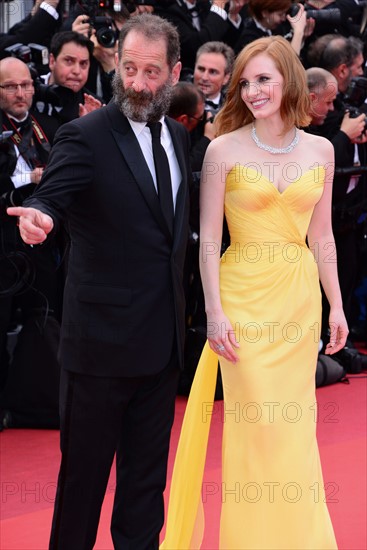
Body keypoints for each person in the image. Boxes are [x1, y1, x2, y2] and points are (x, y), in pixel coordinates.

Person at [7, 13, 191, 550]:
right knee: (82, 489)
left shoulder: (178, 140)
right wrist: (41, 216)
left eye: (152, 72)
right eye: (128, 68)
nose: (137, 83)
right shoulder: (85, 134)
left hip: (161, 349)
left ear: (173, 72)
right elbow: (52, 195)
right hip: (100, 352)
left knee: (144, 488)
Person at [161, 35, 348, 549]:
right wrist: (214, 312)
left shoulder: (322, 149)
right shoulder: (223, 149)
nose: (253, 91)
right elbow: (208, 241)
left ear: (288, 79)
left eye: (264, 79)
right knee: (255, 427)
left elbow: (324, 235)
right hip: (243, 300)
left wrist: (336, 303)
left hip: (298, 300)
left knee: (293, 429)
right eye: (245, 82)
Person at [0, 57, 60, 395]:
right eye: (10, 86)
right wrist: (29, 178)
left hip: (42, 240)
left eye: (25, 85)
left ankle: (39, 397)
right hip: (4, 239)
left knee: (45, 315)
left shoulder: (49, 125)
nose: (20, 93)